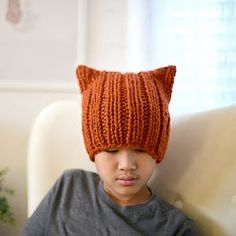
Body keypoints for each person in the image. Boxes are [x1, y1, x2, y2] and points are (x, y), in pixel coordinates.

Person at [22, 65, 197, 235]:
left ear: (157, 151)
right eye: (112, 150)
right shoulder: (69, 186)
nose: (126, 165)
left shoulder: (175, 228)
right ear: (93, 151)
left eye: (140, 149)